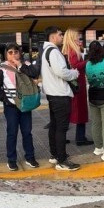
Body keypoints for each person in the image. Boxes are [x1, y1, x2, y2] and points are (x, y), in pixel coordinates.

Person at [0, 43, 40, 171]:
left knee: (27, 132)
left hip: (26, 104)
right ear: (6, 54)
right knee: (12, 133)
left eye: (15, 52)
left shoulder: (26, 65)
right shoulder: (2, 69)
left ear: (20, 53)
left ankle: (30, 157)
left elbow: (35, 73)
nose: (13, 55)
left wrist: (20, 65)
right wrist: (5, 99)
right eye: (10, 52)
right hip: (11, 107)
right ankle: (11, 159)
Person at [40, 26, 80, 171]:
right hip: (60, 94)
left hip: (52, 94)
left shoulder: (45, 51)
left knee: (55, 126)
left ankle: (55, 154)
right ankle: (62, 160)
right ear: (52, 36)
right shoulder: (54, 52)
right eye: (60, 34)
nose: (62, 37)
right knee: (61, 128)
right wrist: (74, 73)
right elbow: (61, 72)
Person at [63, 29, 92, 146]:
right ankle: (80, 138)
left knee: (70, 111)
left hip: (72, 83)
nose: (79, 39)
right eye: (77, 37)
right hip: (77, 82)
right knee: (80, 110)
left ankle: (64, 136)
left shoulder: (67, 50)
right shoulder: (73, 50)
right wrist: (87, 62)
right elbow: (75, 65)